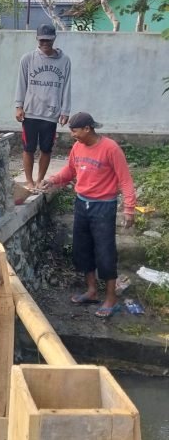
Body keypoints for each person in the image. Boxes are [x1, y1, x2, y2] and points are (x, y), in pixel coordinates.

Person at [42, 112, 136, 318]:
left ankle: (111, 298)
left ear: (87, 128)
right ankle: (92, 291)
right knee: (82, 249)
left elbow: (125, 180)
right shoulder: (77, 147)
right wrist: (53, 180)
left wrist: (129, 209)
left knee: (105, 252)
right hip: (81, 204)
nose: (72, 135)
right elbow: (70, 171)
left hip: (103, 207)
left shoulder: (110, 148)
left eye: (75, 131)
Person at [14, 23, 72, 190]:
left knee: (46, 149)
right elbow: (21, 83)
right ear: (37, 39)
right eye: (42, 40)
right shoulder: (28, 59)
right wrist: (18, 106)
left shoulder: (64, 61)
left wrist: (65, 110)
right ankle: (29, 181)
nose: (45, 43)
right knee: (28, 148)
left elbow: (67, 86)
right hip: (31, 112)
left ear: (54, 39)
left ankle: (40, 180)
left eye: (48, 40)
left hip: (51, 113)